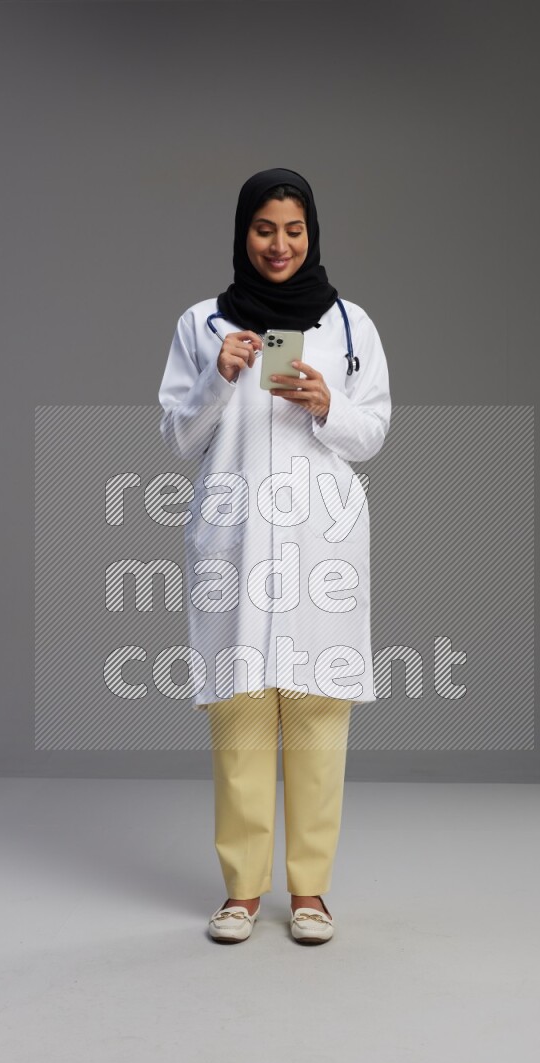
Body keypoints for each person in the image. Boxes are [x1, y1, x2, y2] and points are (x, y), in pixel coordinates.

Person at [158, 168, 391, 944]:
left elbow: (375, 434)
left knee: (320, 713)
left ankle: (312, 892)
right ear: (242, 234)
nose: (280, 244)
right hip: (234, 538)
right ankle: (242, 893)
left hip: (320, 540)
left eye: (293, 229)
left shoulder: (349, 324)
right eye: (265, 229)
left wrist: (329, 407)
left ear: (312, 233)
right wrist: (218, 384)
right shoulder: (202, 324)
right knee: (241, 714)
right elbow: (179, 438)